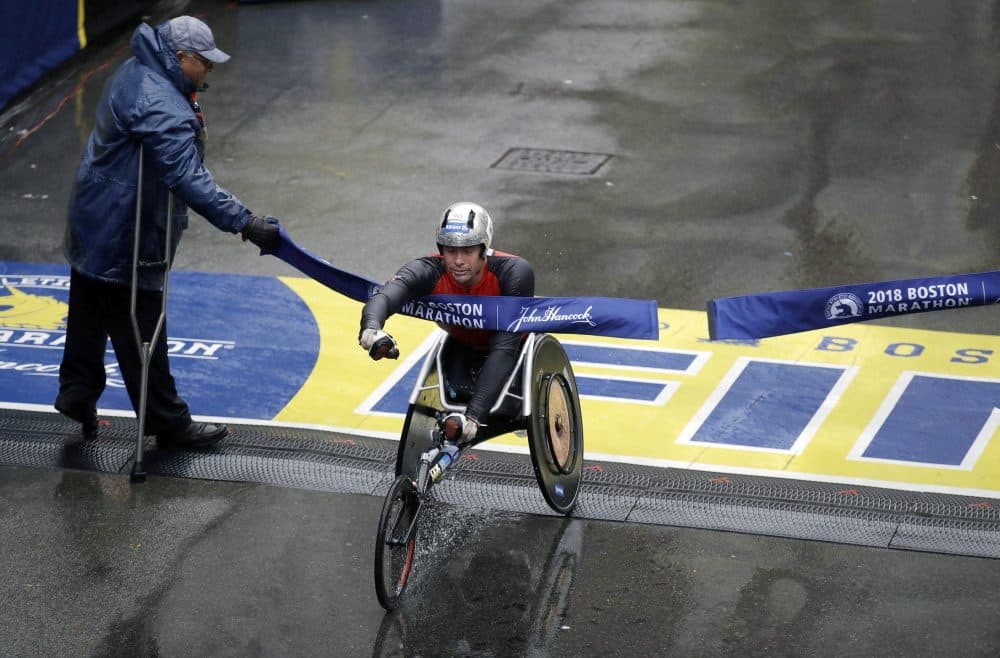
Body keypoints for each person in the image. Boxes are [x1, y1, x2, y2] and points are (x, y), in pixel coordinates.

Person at [55, 16, 280, 450]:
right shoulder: (160, 104)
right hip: (127, 231)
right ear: (180, 58)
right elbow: (188, 178)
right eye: (205, 64)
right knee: (141, 328)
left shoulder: (136, 68)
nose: (210, 70)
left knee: (88, 309)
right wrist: (245, 222)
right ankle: (166, 420)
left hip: (93, 215)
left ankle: (76, 394)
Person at [359, 202, 535, 442]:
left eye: (468, 251)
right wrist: (371, 329)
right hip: (460, 346)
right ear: (441, 249)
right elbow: (386, 296)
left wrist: (474, 416)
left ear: (484, 249)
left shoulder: (515, 272)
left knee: (483, 405)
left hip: (513, 355)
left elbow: (505, 347)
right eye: (451, 250)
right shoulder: (428, 269)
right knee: (451, 410)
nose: (458, 261)